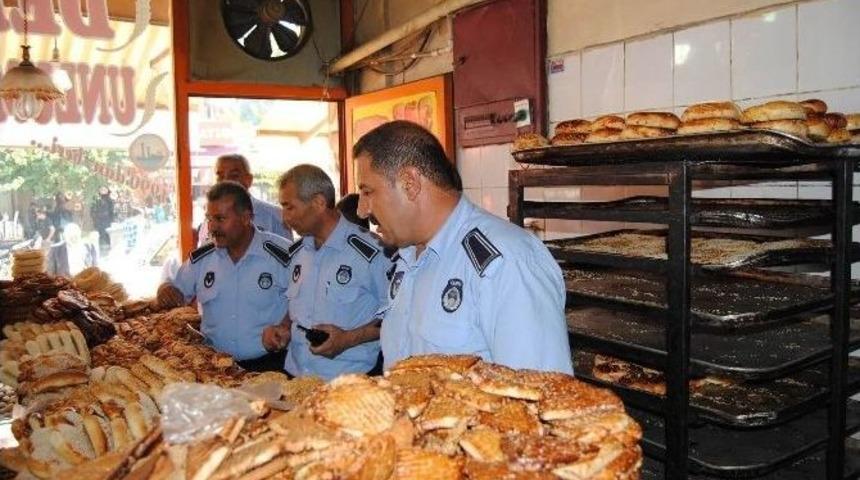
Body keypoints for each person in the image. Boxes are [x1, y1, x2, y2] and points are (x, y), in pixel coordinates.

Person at [354, 121, 573, 374]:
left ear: (410, 183)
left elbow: (540, 394)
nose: (362, 210)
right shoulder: (408, 257)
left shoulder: (507, 262)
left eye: (367, 191)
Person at [261, 165, 389, 380]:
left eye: (289, 207)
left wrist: (347, 339)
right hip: (297, 377)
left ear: (319, 202)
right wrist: (283, 328)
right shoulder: (298, 252)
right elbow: (297, 307)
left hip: (348, 383)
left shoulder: (371, 253)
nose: (284, 218)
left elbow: (393, 317)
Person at [155, 182, 293, 371]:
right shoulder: (202, 258)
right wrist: (166, 289)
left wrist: (285, 326)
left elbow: (307, 298)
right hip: (215, 368)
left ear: (246, 218)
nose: (212, 227)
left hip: (270, 365)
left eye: (220, 219)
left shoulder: (281, 254)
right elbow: (175, 291)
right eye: (209, 219)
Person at [197, 154, 292, 245]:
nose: (225, 180)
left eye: (234, 176)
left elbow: (288, 257)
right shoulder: (209, 220)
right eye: (220, 176)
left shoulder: (275, 216)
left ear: (249, 180)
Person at [90, 186, 115, 254]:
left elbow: (112, 211)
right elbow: (92, 211)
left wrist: (112, 221)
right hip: (99, 222)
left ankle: (109, 251)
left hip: (107, 222)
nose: (103, 191)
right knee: (100, 237)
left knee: (108, 236)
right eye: (101, 189)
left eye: (104, 189)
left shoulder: (110, 200)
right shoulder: (96, 200)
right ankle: (101, 251)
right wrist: (95, 219)